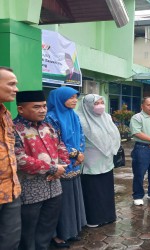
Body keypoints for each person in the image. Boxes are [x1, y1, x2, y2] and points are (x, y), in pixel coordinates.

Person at [13, 90, 69, 250]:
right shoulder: (14, 129)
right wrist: (52, 169)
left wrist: (61, 167)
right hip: (30, 191)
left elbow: (61, 146)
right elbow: (19, 159)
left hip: (54, 188)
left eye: (44, 106)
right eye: (37, 107)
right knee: (27, 233)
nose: (43, 110)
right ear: (21, 109)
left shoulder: (49, 126)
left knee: (47, 228)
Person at [46, 86, 86, 248]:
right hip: (61, 165)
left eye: (76, 97)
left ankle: (72, 230)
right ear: (60, 99)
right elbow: (55, 142)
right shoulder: (51, 118)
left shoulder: (73, 115)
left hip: (75, 165)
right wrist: (75, 154)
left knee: (73, 198)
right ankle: (59, 234)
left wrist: (80, 153)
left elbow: (81, 135)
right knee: (62, 202)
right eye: (70, 98)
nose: (74, 100)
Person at [77, 94, 120, 228]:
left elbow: (113, 134)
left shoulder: (106, 117)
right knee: (93, 191)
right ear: (87, 105)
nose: (100, 105)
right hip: (91, 161)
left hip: (106, 160)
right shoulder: (80, 119)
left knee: (106, 190)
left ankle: (108, 216)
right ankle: (94, 218)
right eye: (96, 103)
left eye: (102, 102)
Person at [0, 66, 21, 250]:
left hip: (11, 191)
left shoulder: (6, 114)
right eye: (12, 84)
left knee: (10, 241)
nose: (16, 89)